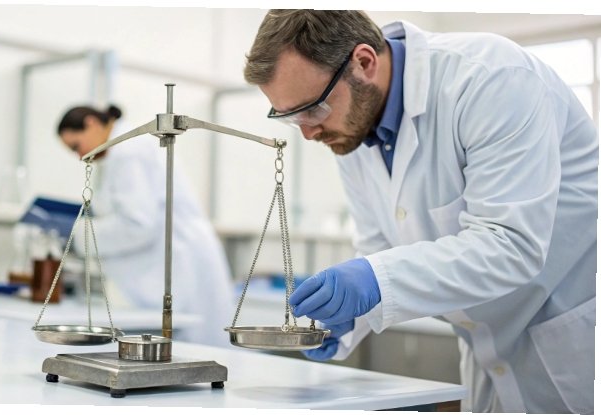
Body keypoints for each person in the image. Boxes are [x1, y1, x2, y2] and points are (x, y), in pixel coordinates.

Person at [243, 10, 596, 414]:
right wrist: (343, 320)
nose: (308, 132)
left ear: (364, 63)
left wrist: (374, 279)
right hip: (487, 352)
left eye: (313, 109)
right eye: (291, 117)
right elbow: (379, 247)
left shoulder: (491, 78)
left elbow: (511, 244)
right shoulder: (352, 129)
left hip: (572, 337)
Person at [56, 104, 236, 348]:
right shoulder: (118, 153)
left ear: (91, 123)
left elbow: (138, 225)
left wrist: (78, 235)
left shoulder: (128, 151)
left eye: (76, 146)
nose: (80, 156)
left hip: (182, 263)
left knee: (196, 348)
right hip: (170, 263)